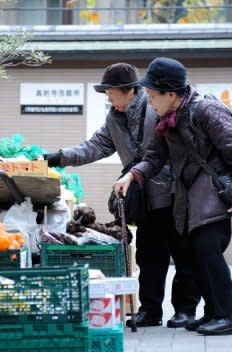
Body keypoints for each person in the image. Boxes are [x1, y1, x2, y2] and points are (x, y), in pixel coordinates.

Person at [43, 62, 200, 328]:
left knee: (183, 254)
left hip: (175, 194)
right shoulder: (114, 119)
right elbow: (95, 146)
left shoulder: (156, 108)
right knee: (149, 257)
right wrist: (60, 157)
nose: (108, 98)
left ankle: (185, 310)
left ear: (129, 91)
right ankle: (150, 310)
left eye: (111, 92)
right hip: (144, 197)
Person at [114, 57, 232, 335]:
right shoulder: (165, 119)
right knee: (195, 255)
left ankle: (227, 315)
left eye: (153, 95)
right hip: (190, 198)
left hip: (213, 196)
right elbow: (154, 158)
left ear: (171, 93)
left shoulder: (207, 111)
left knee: (207, 252)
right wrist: (132, 175)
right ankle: (212, 314)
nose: (150, 101)